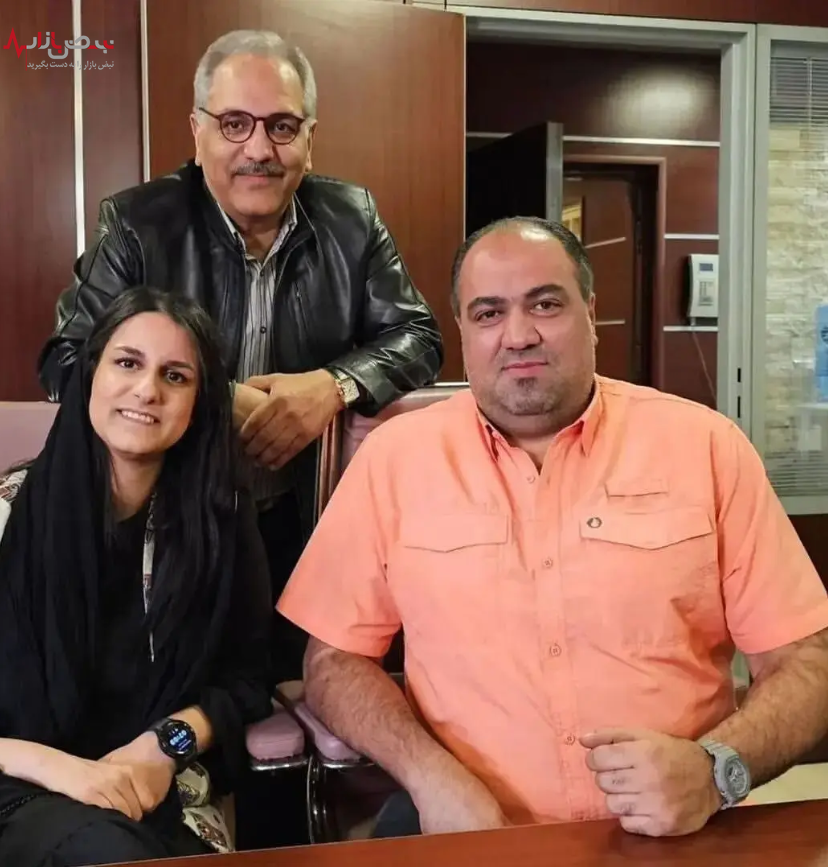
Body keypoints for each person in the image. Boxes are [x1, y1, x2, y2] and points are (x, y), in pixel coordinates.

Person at [276, 217, 828, 839]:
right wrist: (428, 775)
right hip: (471, 831)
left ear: (590, 313)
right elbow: (334, 661)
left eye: (545, 304)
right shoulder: (393, 460)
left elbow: (806, 662)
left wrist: (715, 769)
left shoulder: (705, 446)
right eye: (488, 313)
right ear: (463, 330)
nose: (518, 335)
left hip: (679, 832)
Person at [36, 29, 443, 682]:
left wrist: (333, 386)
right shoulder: (137, 224)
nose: (258, 149)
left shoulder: (352, 219)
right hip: (168, 524)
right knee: (182, 697)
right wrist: (211, 398)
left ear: (309, 137)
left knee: (296, 691)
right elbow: (67, 359)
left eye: (282, 126)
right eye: (234, 124)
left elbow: (419, 336)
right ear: (197, 133)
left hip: (303, 521)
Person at [0, 287, 272, 866]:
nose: (148, 390)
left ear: (200, 401)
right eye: (127, 363)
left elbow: (247, 680)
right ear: (90, 376)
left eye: (175, 376)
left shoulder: (217, 525)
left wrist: (163, 746)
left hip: (153, 794)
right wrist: (61, 771)